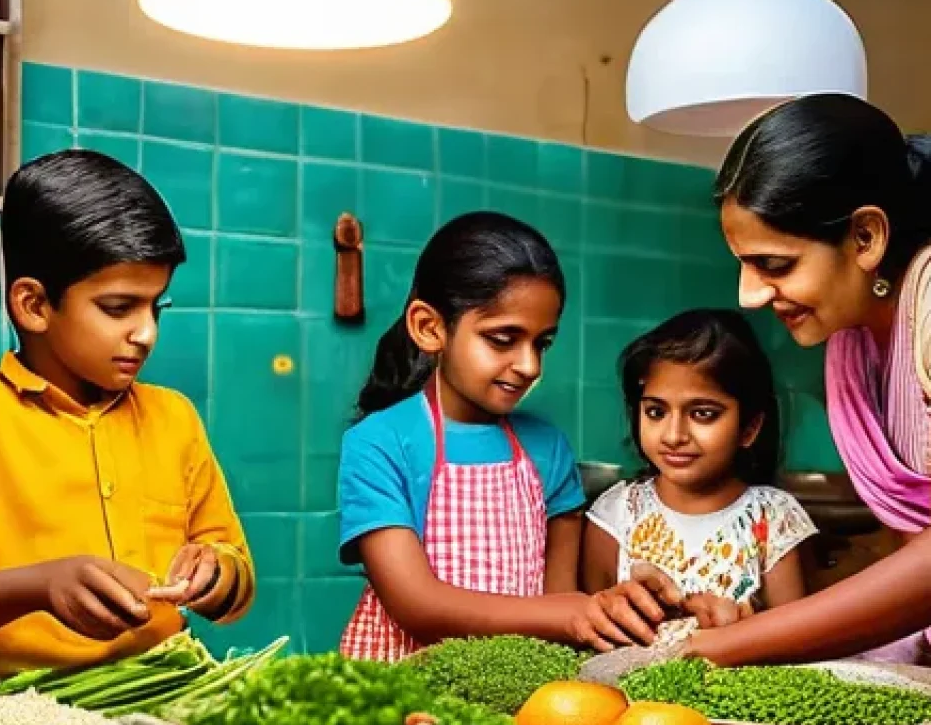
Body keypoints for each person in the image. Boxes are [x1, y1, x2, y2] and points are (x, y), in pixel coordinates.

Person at [0, 150, 255, 708]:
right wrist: (39, 585)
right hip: (12, 720)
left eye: (155, 308)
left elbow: (235, 569)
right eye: (119, 308)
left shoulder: (175, 418)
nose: (145, 332)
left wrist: (218, 575)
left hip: (167, 710)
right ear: (34, 305)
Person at [601, 92, 931, 672]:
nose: (747, 295)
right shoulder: (855, 341)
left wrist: (719, 648)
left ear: (865, 238)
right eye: (744, 264)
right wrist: (754, 624)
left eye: (774, 265)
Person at [337, 211, 682, 662]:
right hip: (399, 688)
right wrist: (571, 613)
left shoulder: (549, 449)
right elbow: (416, 605)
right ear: (429, 327)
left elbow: (557, 601)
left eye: (542, 343)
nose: (530, 366)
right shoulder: (379, 443)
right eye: (503, 339)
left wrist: (622, 609)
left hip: (514, 695)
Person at [582, 309, 817, 644]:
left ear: (749, 428)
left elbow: (798, 643)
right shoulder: (617, 513)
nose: (674, 435)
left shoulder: (775, 518)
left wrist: (739, 629)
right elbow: (593, 632)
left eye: (703, 414)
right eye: (656, 412)